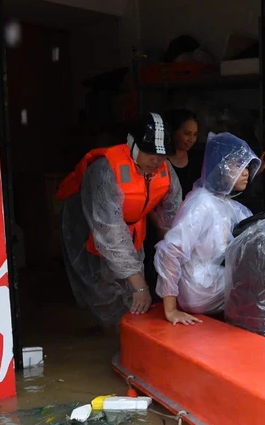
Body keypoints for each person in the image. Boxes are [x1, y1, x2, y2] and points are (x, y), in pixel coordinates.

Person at [58, 112, 181, 327]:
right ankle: (111, 333)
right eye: (149, 152)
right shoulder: (106, 171)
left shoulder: (165, 169)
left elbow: (173, 217)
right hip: (90, 225)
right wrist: (141, 286)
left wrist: (173, 258)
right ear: (131, 144)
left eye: (162, 154)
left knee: (131, 286)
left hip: (132, 226)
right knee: (103, 287)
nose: (157, 160)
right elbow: (109, 231)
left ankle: (131, 325)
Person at [155, 132, 261, 325]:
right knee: (263, 283)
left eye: (246, 166)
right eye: (238, 165)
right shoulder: (201, 203)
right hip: (198, 288)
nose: (245, 172)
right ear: (221, 168)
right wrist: (171, 310)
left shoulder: (229, 205)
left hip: (212, 281)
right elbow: (170, 251)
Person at [164, 109, 203, 198]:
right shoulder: (160, 161)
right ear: (173, 131)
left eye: (195, 134)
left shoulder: (197, 160)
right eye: (187, 133)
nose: (191, 139)